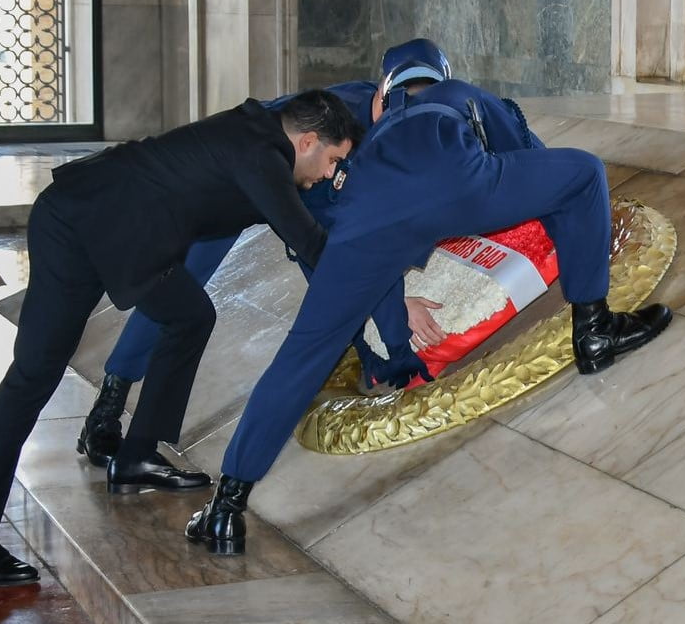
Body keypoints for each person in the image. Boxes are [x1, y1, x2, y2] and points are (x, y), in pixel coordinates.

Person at [184, 40, 671, 555]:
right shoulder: (464, 95)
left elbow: (349, 244)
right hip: (466, 184)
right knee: (584, 172)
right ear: (438, 76)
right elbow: (532, 161)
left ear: (383, 96)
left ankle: (227, 507)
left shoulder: (365, 148)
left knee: (300, 358)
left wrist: (391, 340)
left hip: (370, 219)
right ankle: (594, 333)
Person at [0, 92, 362, 586]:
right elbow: (309, 241)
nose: (326, 174)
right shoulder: (260, 155)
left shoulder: (261, 136)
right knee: (33, 377)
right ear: (307, 140)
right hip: (76, 224)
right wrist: (384, 293)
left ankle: (137, 453)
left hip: (125, 237)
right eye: (331, 160)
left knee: (190, 316)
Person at [74, 75, 431, 469]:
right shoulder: (332, 127)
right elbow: (324, 252)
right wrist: (386, 311)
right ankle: (107, 408)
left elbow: (336, 248)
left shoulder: (371, 137)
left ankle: (129, 435)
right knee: (176, 283)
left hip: (274, 186)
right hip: (234, 185)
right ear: (383, 93)